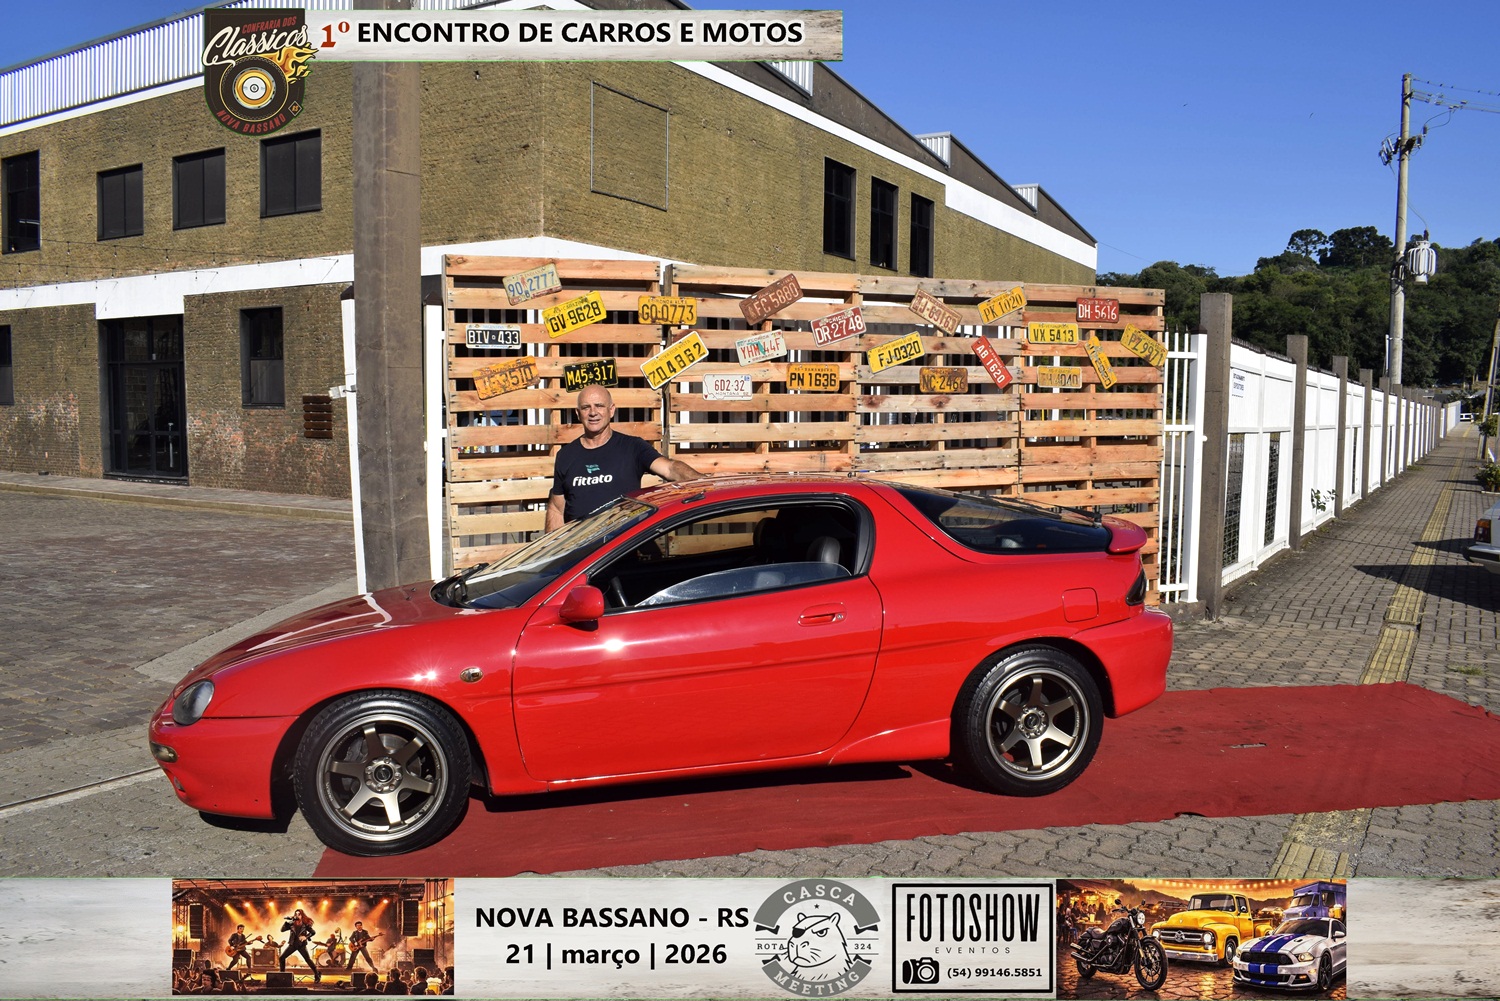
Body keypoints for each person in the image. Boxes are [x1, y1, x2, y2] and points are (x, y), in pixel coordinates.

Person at [545, 385, 701, 530]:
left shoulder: (633, 447)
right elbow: (556, 508)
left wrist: (704, 482)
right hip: (582, 547)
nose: (593, 412)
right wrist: (550, 549)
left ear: (611, 410)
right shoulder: (566, 455)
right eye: (586, 407)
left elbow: (670, 469)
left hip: (622, 545)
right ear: (578, 413)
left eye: (599, 406)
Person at [279, 908, 320, 983]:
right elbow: (282, 930)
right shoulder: (292, 923)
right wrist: (287, 922)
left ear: (302, 916)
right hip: (293, 944)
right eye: (296, 914)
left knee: (307, 959)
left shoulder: (305, 924)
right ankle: (282, 976)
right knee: (282, 958)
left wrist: (306, 937)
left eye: (299, 914)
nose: (297, 916)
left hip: (301, 945)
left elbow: (313, 932)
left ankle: (317, 974)